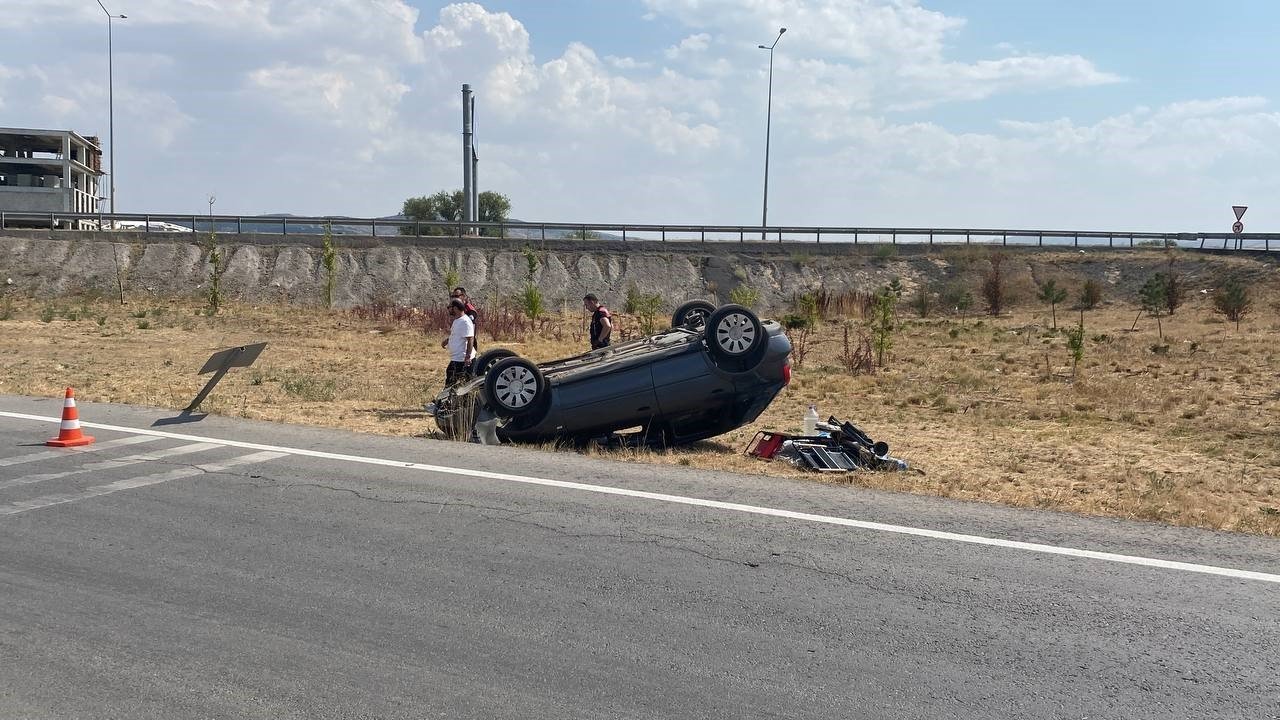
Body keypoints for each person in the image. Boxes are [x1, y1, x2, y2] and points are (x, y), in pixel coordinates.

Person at [440, 298, 475, 385]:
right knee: (451, 379)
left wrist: (468, 356)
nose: (448, 309)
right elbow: (456, 335)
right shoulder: (458, 320)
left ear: (455, 308)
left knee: (453, 381)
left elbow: (470, 339)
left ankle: (448, 398)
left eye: (449, 307)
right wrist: (447, 341)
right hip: (457, 358)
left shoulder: (465, 322)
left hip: (462, 359)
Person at [450, 286, 480, 351]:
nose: (454, 298)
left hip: (467, 342)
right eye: (453, 296)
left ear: (463, 296)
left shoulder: (469, 308)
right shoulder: (456, 308)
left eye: (456, 296)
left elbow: (471, 329)